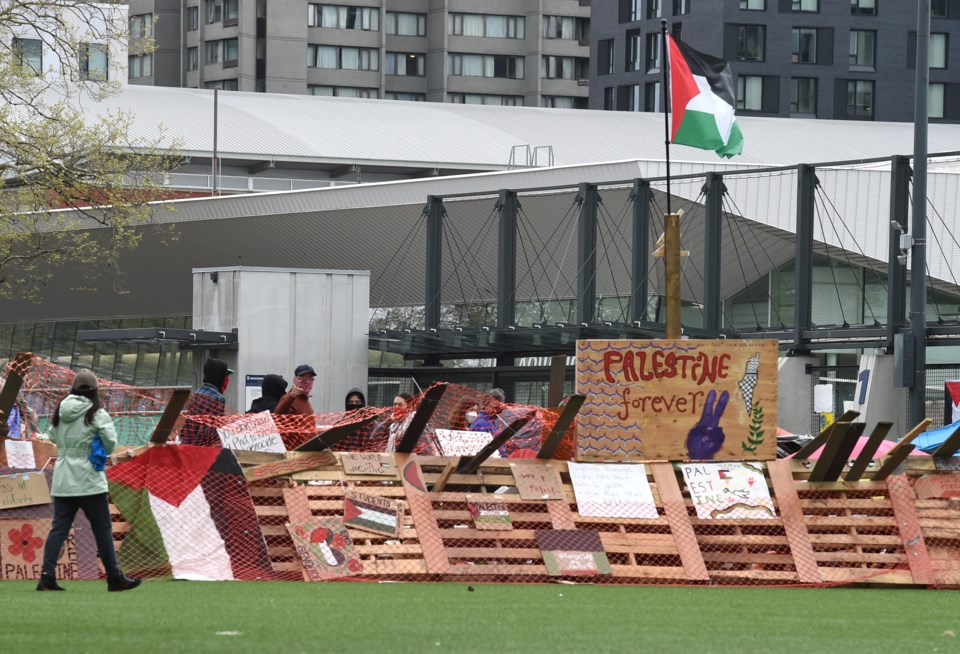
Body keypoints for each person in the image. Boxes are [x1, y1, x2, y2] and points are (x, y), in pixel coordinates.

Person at [37, 369, 141, 592]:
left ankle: (46, 575)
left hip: (64, 477)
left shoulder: (61, 411)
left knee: (59, 529)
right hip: (89, 478)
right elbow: (111, 443)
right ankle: (114, 577)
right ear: (95, 391)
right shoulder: (97, 413)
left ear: (73, 389)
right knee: (102, 529)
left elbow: (53, 437)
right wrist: (95, 445)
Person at [180, 358, 232, 447]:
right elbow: (211, 430)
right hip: (203, 449)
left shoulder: (197, 392)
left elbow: (188, 424)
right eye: (225, 376)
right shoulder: (218, 397)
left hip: (188, 444)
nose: (227, 379)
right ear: (219, 377)